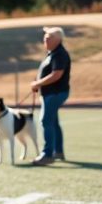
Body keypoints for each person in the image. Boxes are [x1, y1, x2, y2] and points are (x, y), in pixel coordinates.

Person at [30, 26, 70, 166]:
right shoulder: (51, 53)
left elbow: (56, 75)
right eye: (45, 37)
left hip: (56, 93)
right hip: (49, 93)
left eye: (49, 38)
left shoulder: (59, 54)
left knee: (45, 120)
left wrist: (38, 83)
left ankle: (47, 154)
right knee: (53, 122)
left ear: (58, 39)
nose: (45, 40)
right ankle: (58, 151)